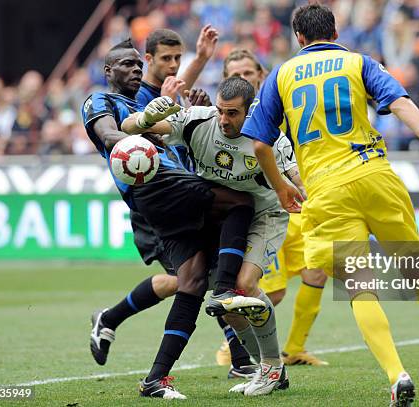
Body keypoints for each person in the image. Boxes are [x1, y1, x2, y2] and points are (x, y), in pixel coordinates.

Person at [241, 4, 419, 407]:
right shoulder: (358, 62)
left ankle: (398, 375)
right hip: (374, 176)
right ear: (335, 32)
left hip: (326, 190)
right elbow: (400, 100)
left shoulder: (282, 75)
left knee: (361, 287)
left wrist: (283, 185)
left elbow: (259, 143)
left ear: (298, 37)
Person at [81, 39, 264, 400]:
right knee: (238, 205)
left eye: (138, 65)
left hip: (175, 192)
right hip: (156, 188)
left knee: (193, 280)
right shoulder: (101, 101)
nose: (135, 70)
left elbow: (173, 98)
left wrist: (188, 111)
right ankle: (235, 328)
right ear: (108, 72)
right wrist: (142, 140)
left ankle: (156, 378)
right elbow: (108, 134)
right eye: (126, 65)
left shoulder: (146, 100)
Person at [121, 76, 298, 396]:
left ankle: (270, 367)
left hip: (264, 216)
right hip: (219, 217)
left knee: (244, 286)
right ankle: (272, 370)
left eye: (232, 114)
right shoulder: (197, 122)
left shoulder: (270, 136)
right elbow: (128, 127)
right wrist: (147, 117)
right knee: (229, 304)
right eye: (220, 111)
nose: (223, 120)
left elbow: (294, 177)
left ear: (250, 111)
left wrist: (304, 190)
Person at [219, 49, 329, 367]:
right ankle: (236, 345)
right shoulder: (228, 119)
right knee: (272, 292)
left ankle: (295, 348)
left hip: (296, 201)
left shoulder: (278, 104)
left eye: (247, 73)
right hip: (265, 209)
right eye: (234, 75)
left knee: (317, 270)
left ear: (261, 74)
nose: (242, 78)